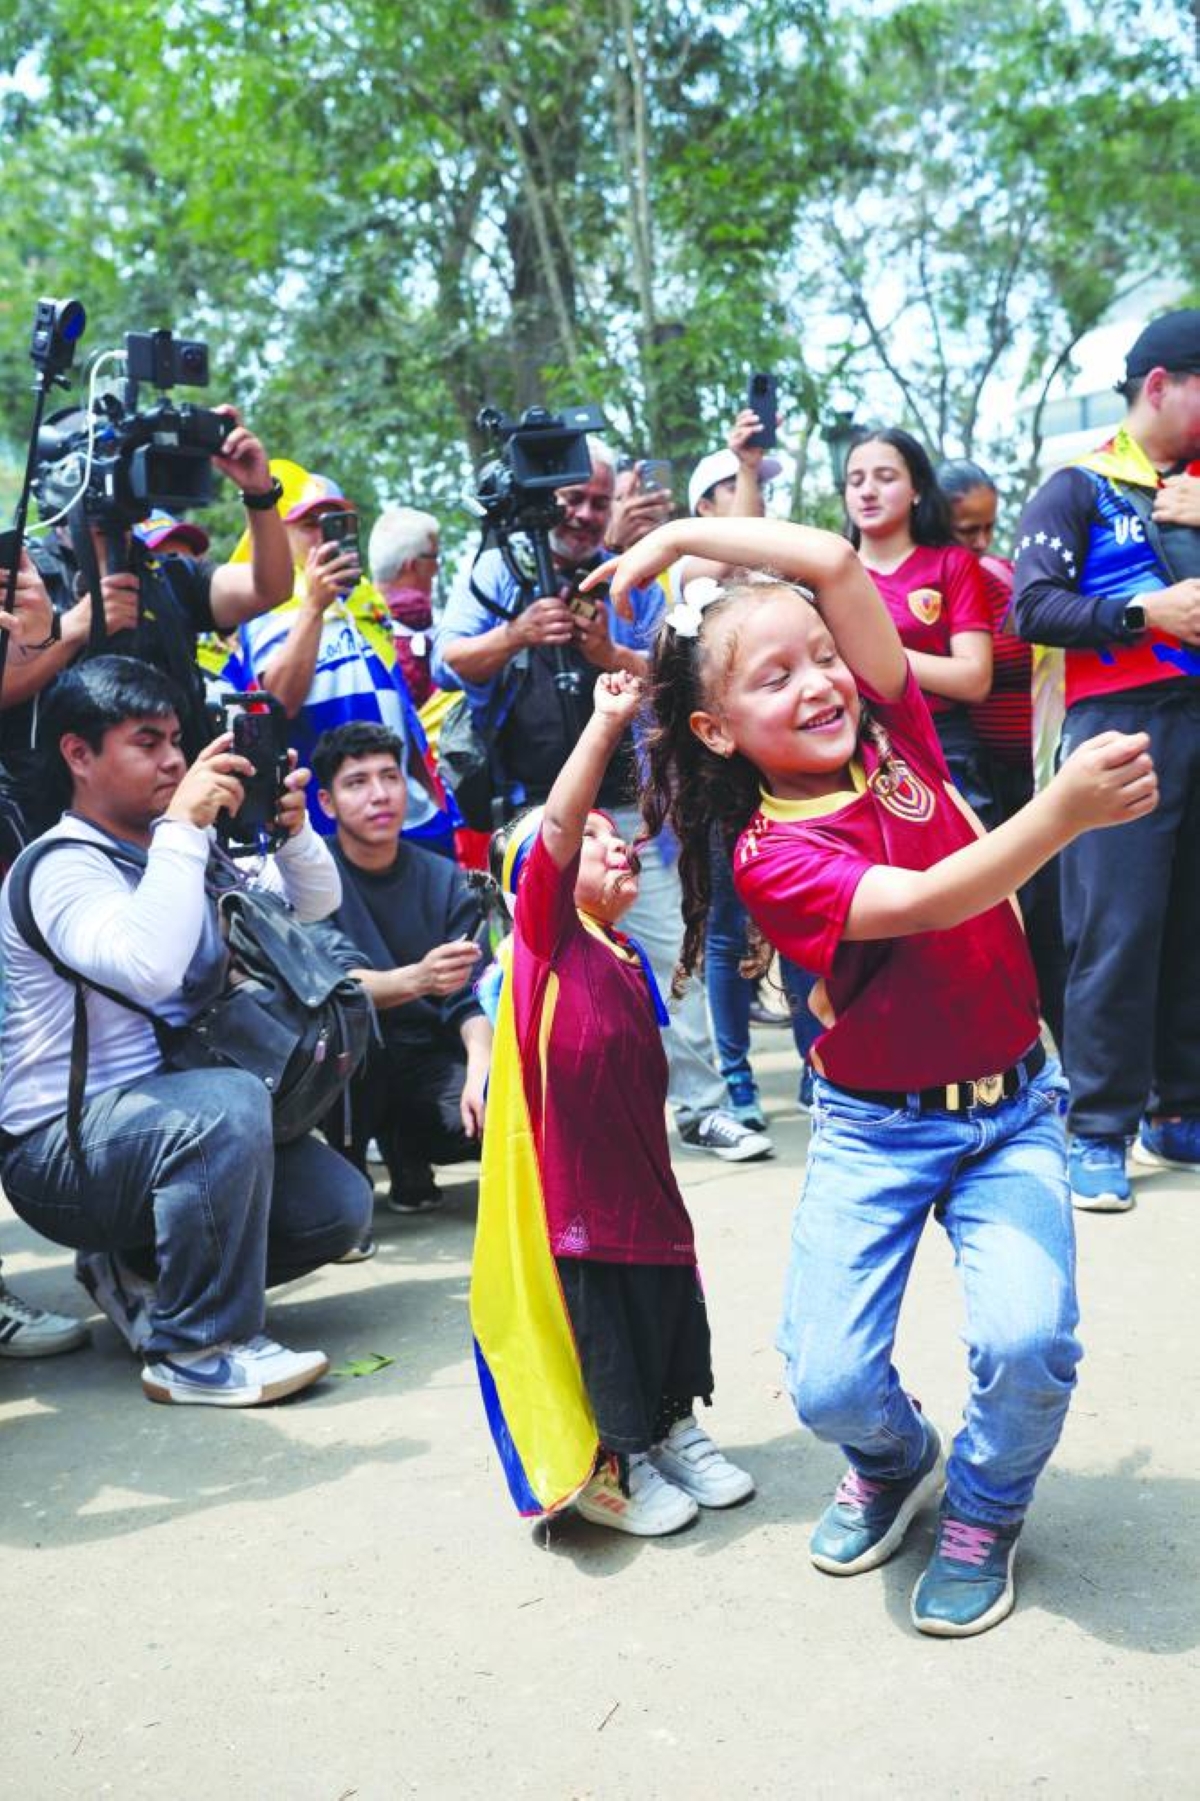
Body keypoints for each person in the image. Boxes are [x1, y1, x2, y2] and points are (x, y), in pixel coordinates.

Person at [590, 513, 1157, 1634]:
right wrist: (1062, 812)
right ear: (714, 729)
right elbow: (924, 902)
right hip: (874, 1130)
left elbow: (837, 563)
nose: (817, 683)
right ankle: (898, 1459)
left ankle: (987, 1507)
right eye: (773, 677)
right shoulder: (770, 853)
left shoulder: (895, 725)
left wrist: (680, 539)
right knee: (831, 1383)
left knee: (1028, 1341)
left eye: (822, 654)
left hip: (1012, 1112)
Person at [0, 656, 371, 1407]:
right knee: (229, 1105)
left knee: (339, 1204)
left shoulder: (172, 846)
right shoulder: (58, 868)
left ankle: (137, 1273)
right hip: (59, 1150)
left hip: (162, 1122)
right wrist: (183, 828)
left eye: (176, 738)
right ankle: (195, 1348)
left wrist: (288, 831)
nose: (173, 757)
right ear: (79, 754)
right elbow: (149, 965)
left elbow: (313, 904)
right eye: (147, 741)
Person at [470, 669, 755, 1535]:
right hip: (578, 1202)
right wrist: (604, 725)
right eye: (596, 841)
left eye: (617, 837)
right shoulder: (547, 937)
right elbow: (557, 826)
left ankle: (673, 1429)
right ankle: (615, 1460)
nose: (614, 845)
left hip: (648, 1187)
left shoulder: (622, 953)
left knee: (666, 1311)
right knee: (606, 1329)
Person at [436, 440, 769, 1163]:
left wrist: (607, 657)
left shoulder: (632, 575)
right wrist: (516, 632)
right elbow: (449, 658)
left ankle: (703, 1107)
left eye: (597, 499)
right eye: (572, 498)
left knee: (662, 941)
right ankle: (543, 1116)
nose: (584, 514)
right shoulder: (501, 564)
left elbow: (680, 671)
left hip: (626, 801)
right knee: (526, 960)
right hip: (528, 805)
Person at [1012, 308, 1200, 1211]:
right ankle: (1098, 1131)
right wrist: (1142, 615)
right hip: (1120, 727)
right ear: (1159, 385)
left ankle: (1182, 1112)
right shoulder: (1080, 486)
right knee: (1117, 930)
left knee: (1191, 929)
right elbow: (1031, 610)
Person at [312, 721, 491, 1215]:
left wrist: (482, 1072)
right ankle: (348, 1188)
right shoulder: (310, 880)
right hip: (346, 1066)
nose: (379, 795)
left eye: (390, 777)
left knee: (491, 1112)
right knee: (347, 1031)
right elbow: (331, 986)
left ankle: (407, 1149)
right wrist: (419, 978)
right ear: (326, 803)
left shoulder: (443, 879)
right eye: (357, 782)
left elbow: (473, 994)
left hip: (428, 1058)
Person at [234, 463, 450, 852]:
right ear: (278, 533)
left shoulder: (364, 597)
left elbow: (398, 704)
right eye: (308, 524)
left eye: (333, 521)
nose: (323, 535)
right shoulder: (267, 606)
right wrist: (315, 606)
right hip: (329, 823)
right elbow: (278, 702)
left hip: (410, 813)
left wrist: (432, 798)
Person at [938, 459, 1066, 1044]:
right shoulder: (941, 585)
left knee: (1050, 924)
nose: (982, 542)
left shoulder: (1005, 575)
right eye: (968, 530)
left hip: (1031, 775)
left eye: (990, 527)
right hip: (975, 779)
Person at [844, 427, 996, 824]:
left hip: (945, 747)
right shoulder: (829, 574)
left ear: (917, 489)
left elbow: (974, 679)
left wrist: (875, 655)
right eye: (855, 480)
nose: (867, 491)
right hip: (855, 750)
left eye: (886, 477)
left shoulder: (951, 564)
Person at [367, 505, 441, 708]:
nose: (438, 568)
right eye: (435, 557)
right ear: (412, 565)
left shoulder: (355, 621)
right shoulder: (423, 625)